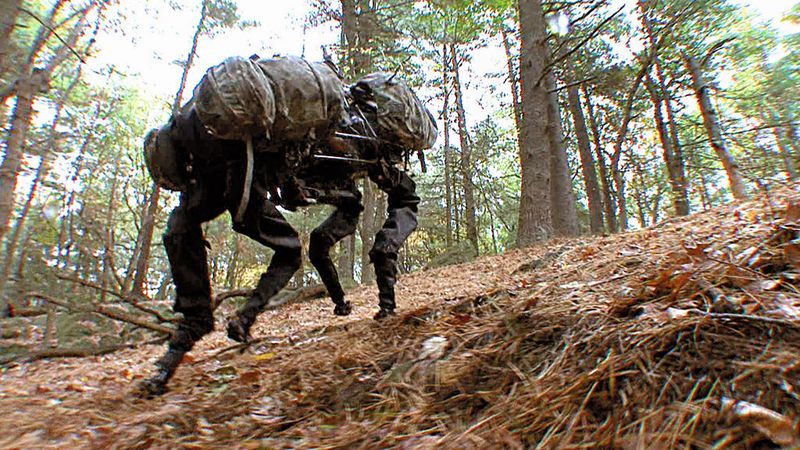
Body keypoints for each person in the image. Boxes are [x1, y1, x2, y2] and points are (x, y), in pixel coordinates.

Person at [139, 102, 420, 396]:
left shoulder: (207, 135)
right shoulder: (220, 131)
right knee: (301, 249)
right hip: (252, 170)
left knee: (311, 245)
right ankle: (363, 306)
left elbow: (181, 228)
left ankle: (175, 359)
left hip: (251, 170)